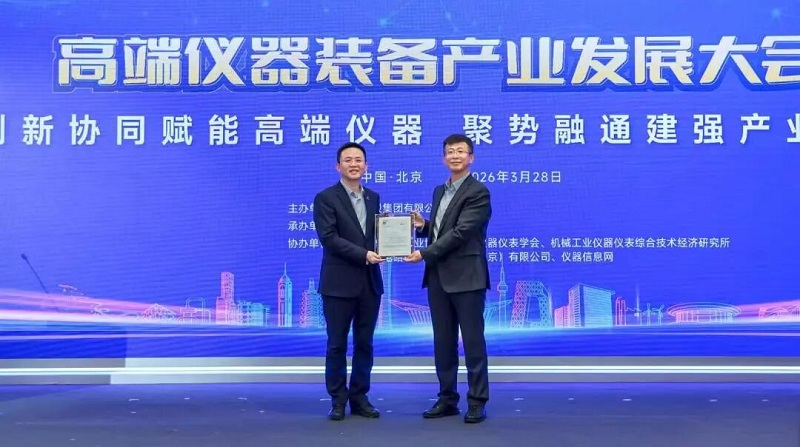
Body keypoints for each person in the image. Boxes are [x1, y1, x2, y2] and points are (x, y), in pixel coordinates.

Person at [405, 134, 491, 424]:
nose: (455, 156)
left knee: (473, 342)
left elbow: (461, 232)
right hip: (439, 277)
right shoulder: (439, 191)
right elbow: (443, 230)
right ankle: (447, 398)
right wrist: (424, 226)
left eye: (460, 151)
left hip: (467, 277)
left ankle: (477, 401)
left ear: (471, 158)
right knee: (443, 342)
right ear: (444, 158)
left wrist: (424, 253)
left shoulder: (478, 192)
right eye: (450, 152)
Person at [313, 142, 385, 421]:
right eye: (348, 160)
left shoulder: (373, 198)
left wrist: (393, 241)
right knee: (337, 345)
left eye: (358, 160)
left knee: (365, 344)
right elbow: (329, 238)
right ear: (338, 166)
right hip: (338, 284)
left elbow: (376, 237)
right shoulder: (326, 198)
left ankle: (360, 397)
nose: (354, 164)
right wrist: (364, 255)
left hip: (369, 283)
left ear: (366, 166)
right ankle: (337, 399)